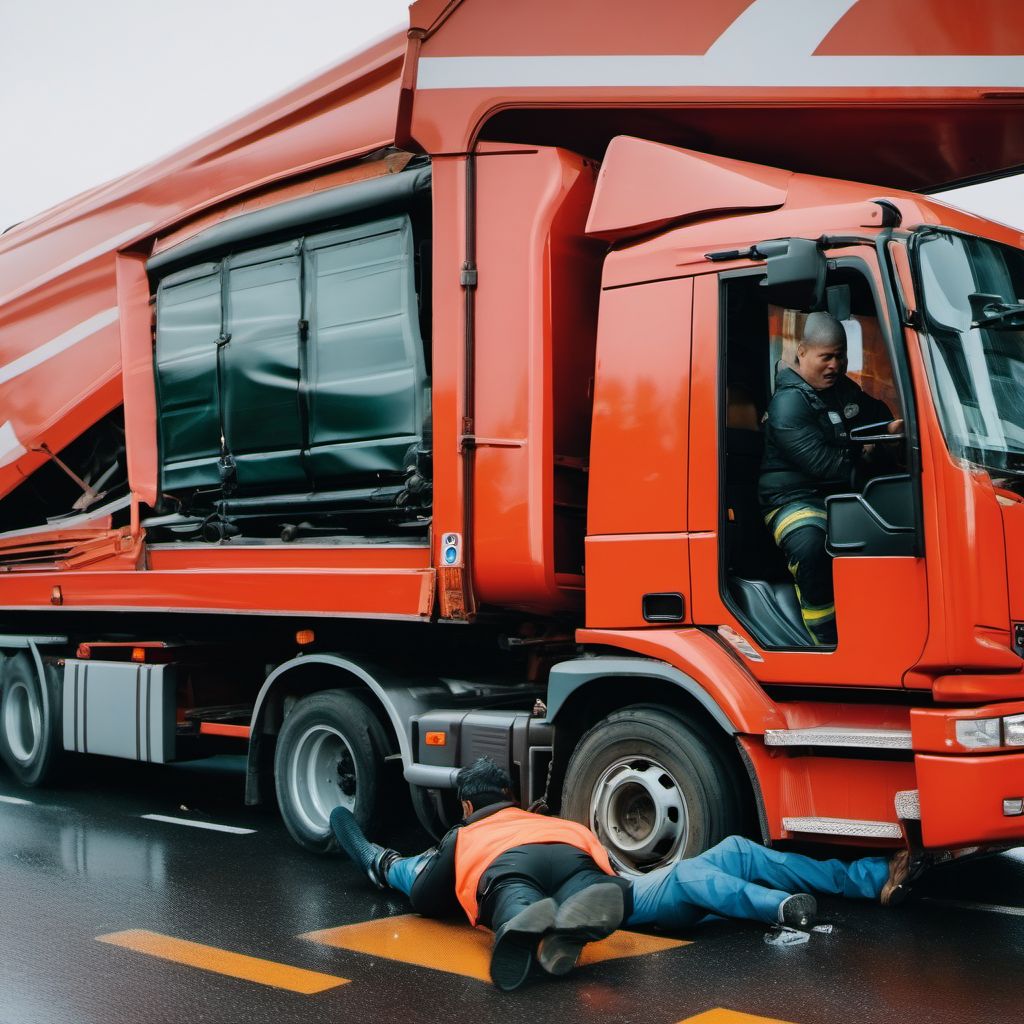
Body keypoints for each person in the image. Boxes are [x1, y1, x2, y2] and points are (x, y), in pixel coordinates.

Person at [330, 758, 923, 991]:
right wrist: (606, 887)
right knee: (726, 853)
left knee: (511, 895)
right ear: (514, 796)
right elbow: (613, 871)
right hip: (580, 865)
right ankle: (869, 877)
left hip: (503, 871)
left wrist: (376, 857)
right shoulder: (557, 821)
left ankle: (524, 926)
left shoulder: (466, 836)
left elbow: (426, 885)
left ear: (466, 806)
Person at [759, 312, 903, 645]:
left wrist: (890, 429)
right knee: (812, 547)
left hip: (837, 497)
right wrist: (866, 454)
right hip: (790, 500)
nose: (835, 365)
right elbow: (828, 465)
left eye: (841, 356)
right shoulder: (787, 405)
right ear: (803, 353)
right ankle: (825, 636)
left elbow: (876, 415)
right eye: (826, 356)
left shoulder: (841, 390)